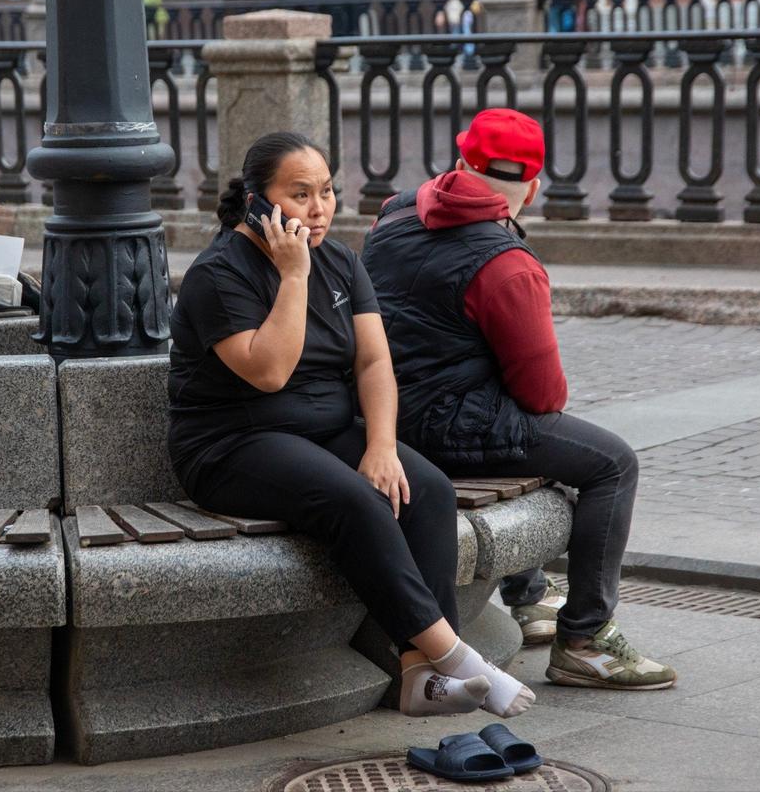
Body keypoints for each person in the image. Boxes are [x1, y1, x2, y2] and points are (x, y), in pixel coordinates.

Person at [168, 131, 535, 719]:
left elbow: (373, 361)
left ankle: (418, 675)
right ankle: (458, 659)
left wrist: (383, 444)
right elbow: (268, 371)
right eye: (300, 195)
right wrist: (292, 276)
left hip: (324, 431)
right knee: (357, 501)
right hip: (231, 443)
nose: (318, 209)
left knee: (427, 489)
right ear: (257, 201)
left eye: (328, 192)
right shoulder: (219, 273)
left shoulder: (339, 261)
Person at [362, 108, 677, 691]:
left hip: (376, 418)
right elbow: (543, 393)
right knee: (612, 463)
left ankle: (530, 598)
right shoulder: (507, 265)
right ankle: (585, 639)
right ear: (532, 188)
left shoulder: (394, 214)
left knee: (526, 434)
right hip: (444, 428)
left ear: (459, 165)